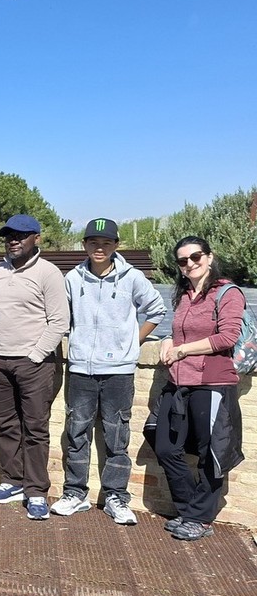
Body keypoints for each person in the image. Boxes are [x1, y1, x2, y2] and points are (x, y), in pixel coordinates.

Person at [51, 218, 166, 524]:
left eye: (105, 243)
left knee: (117, 436)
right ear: (85, 245)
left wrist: (132, 342)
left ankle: (116, 497)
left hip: (119, 372)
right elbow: (61, 317)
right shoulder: (72, 279)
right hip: (81, 369)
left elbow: (157, 310)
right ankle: (75, 494)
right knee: (76, 433)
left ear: (116, 245)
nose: (99, 248)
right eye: (93, 242)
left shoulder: (133, 278)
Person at [153, 236, 244, 541]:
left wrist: (183, 350)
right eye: (183, 260)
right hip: (178, 382)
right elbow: (179, 331)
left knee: (211, 454)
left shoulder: (227, 292)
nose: (190, 264)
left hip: (212, 383)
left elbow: (227, 338)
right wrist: (168, 340)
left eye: (195, 257)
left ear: (209, 257)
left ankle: (200, 518)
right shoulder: (183, 295)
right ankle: (189, 508)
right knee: (165, 446)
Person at [0, 215, 69, 520]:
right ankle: (12, 481)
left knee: (35, 429)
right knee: (6, 425)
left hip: (34, 365)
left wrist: (35, 356)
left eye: (20, 235)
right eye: (9, 236)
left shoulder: (48, 273)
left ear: (36, 238)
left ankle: (36, 491)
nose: (13, 241)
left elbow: (59, 321)